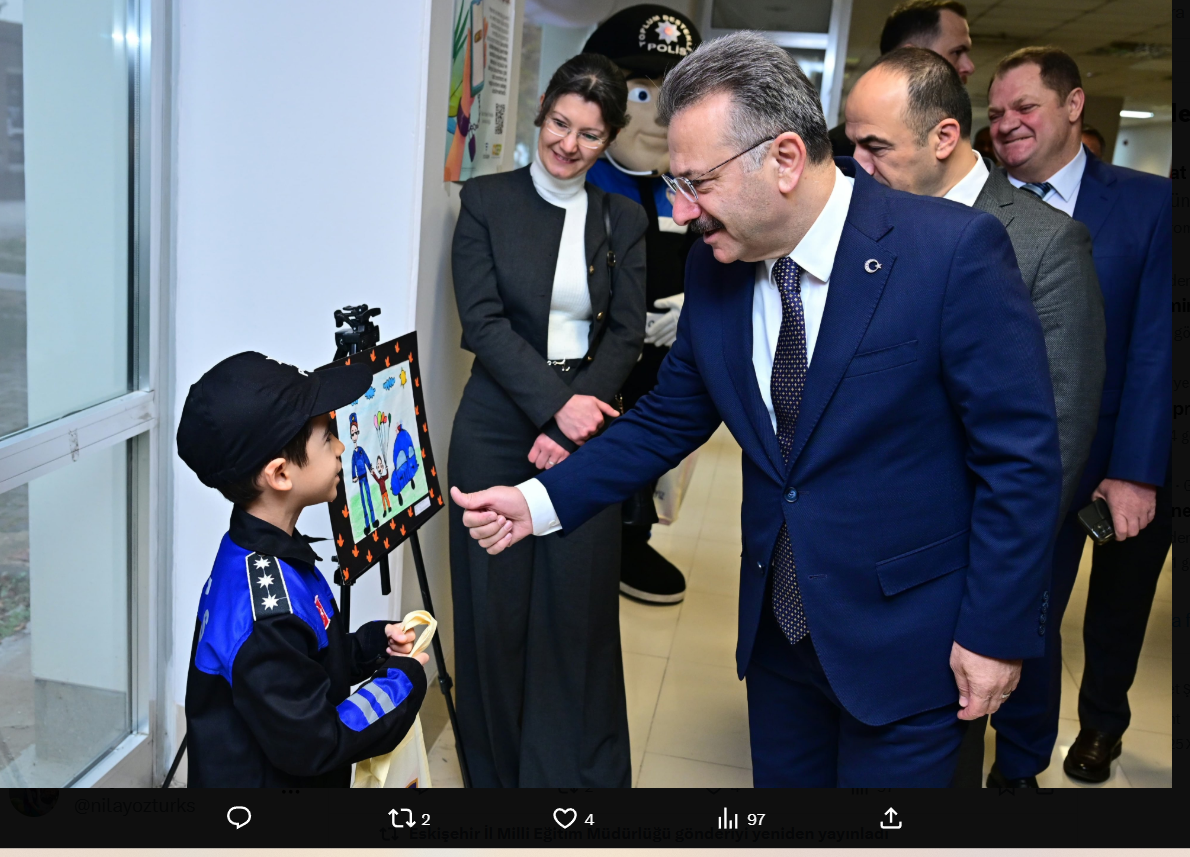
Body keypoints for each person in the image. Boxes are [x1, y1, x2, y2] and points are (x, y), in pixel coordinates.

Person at [454, 33, 1062, 787]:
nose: (682, 210)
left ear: (783, 159)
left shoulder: (950, 252)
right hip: (781, 641)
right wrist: (535, 502)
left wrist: (995, 633)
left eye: (698, 183)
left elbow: (1019, 460)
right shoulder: (720, 270)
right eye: (676, 183)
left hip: (909, 647)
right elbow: (667, 419)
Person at [843, 47, 1108, 786]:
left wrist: (985, 588)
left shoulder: (1045, 244)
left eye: (874, 147)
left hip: (957, 564)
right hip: (856, 552)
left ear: (943, 137)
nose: (857, 166)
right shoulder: (863, 218)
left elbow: (1053, 439)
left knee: (937, 760)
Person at [448, 53, 648, 787]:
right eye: (560, 123)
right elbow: (482, 322)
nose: (569, 143)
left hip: (586, 424)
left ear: (609, 139)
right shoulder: (484, 201)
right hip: (496, 422)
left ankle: (567, 781)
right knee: (494, 612)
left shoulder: (624, 218)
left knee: (576, 611)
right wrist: (551, 406)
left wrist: (569, 423)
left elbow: (626, 334)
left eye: (590, 134)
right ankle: (496, 780)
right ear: (540, 112)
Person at [989, 46, 1172, 786]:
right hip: (1012, 454)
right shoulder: (972, 201)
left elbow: (1157, 342)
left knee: (1105, 608)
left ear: (1072, 106)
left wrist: (1134, 471)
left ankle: (1091, 726)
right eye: (995, 112)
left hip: (1113, 451)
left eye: (1024, 107)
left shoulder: (1149, 204)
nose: (1006, 123)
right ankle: (1010, 760)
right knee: (1021, 607)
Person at [175, 352, 428, 787]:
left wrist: (371, 646)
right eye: (328, 437)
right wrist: (403, 682)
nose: (341, 448)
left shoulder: (265, 553)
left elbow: (305, 662)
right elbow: (317, 741)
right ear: (279, 474)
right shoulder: (267, 615)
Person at [582, 4, 702, 605]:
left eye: (674, 97)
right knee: (602, 446)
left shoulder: (681, 186)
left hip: (664, 365)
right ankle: (600, 537)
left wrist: (691, 309)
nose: (658, 117)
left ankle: (636, 534)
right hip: (598, 366)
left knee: (659, 451)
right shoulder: (586, 184)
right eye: (641, 94)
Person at [830, 0, 975, 156]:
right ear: (912, 57)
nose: (969, 66)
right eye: (957, 52)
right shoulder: (833, 155)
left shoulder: (957, 143)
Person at [348, 412, 379, 532]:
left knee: (369, 497)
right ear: (351, 436)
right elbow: (352, 466)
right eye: (352, 433)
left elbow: (366, 459)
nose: (354, 435)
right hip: (360, 479)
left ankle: (373, 520)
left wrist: (370, 467)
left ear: (358, 433)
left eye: (355, 432)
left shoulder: (361, 450)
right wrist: (354, 476)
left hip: (365, 477)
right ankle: (367, 524)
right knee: (363, 500)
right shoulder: (354, 454)